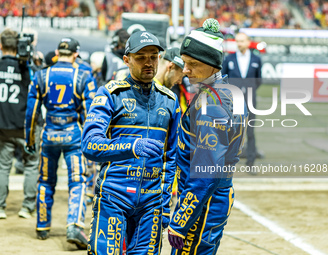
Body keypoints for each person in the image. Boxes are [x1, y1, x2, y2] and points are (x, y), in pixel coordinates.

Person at [81, 30, 181, 255]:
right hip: (114, 195)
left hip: (151, 203)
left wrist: (165, 202)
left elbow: (171, 157)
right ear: (126, 60)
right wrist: (131, 146)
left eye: (154, 56)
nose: (149, 63)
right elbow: (89, 144)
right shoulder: (110, 94)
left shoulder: (170, 101)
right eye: (141, 57)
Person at [167, 19, 248, 254]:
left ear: (212, 64)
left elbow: (207, 169)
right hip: (212, 197)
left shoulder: (210, 104)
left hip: (204, 202)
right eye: (185, 63)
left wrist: (181, 220)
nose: (186, 70)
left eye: (193, 64)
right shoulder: (223, 92)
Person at [25, 37, 97, 248]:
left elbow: (32, 113)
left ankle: (42, 226)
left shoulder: (41, 75)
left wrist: (30, 139)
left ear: (57, 52)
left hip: (49, 136)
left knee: (45, 180)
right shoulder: (83, 76)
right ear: (76, 54)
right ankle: (74, 225)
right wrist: (91, 141)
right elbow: (90, 114)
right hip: (73, 136)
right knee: (78, 181)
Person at [0, 28, 39, 220]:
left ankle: (0, 207)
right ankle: (27, 206)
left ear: (1, 46)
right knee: (31, 165)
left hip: (3, 126)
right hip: (27, 127)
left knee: (2, 167)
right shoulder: (28, 68)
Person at [221, 32, 262, 167]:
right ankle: (228, 162)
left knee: (250, 131)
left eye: (242, 41)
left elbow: (258, 80)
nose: (239, 44)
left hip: (250, 100)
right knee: (232, 130)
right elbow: (224, 78)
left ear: (248, 42)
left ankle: (250, 162)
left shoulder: (256, 59)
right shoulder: (229, 59)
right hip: (234, 101)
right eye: (237, 41)